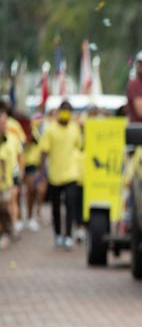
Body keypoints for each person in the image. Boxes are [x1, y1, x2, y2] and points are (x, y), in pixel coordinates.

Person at [38, 101, 82, 249]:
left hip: (71, 174)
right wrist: (42, 172)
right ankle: (58, 234)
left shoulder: (75, 128)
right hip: (55, 175)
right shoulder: (50, 129)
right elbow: (44, 152)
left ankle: (69, 235)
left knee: (70, 203)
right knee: (56, 207)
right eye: (63, 111)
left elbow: (78, 147)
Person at [0, 102, 24, 248]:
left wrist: (20, 171)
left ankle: (9, 229)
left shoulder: (13, 135)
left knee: (6, 205)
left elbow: (20, 155)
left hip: (8, 178)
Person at [22, 115, 46, 232]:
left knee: (40, 190)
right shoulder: (28, 131)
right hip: (29, 165)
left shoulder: (42, 130)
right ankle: (29, 217)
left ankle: (36, 214)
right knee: (31, 190)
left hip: (38, 165)